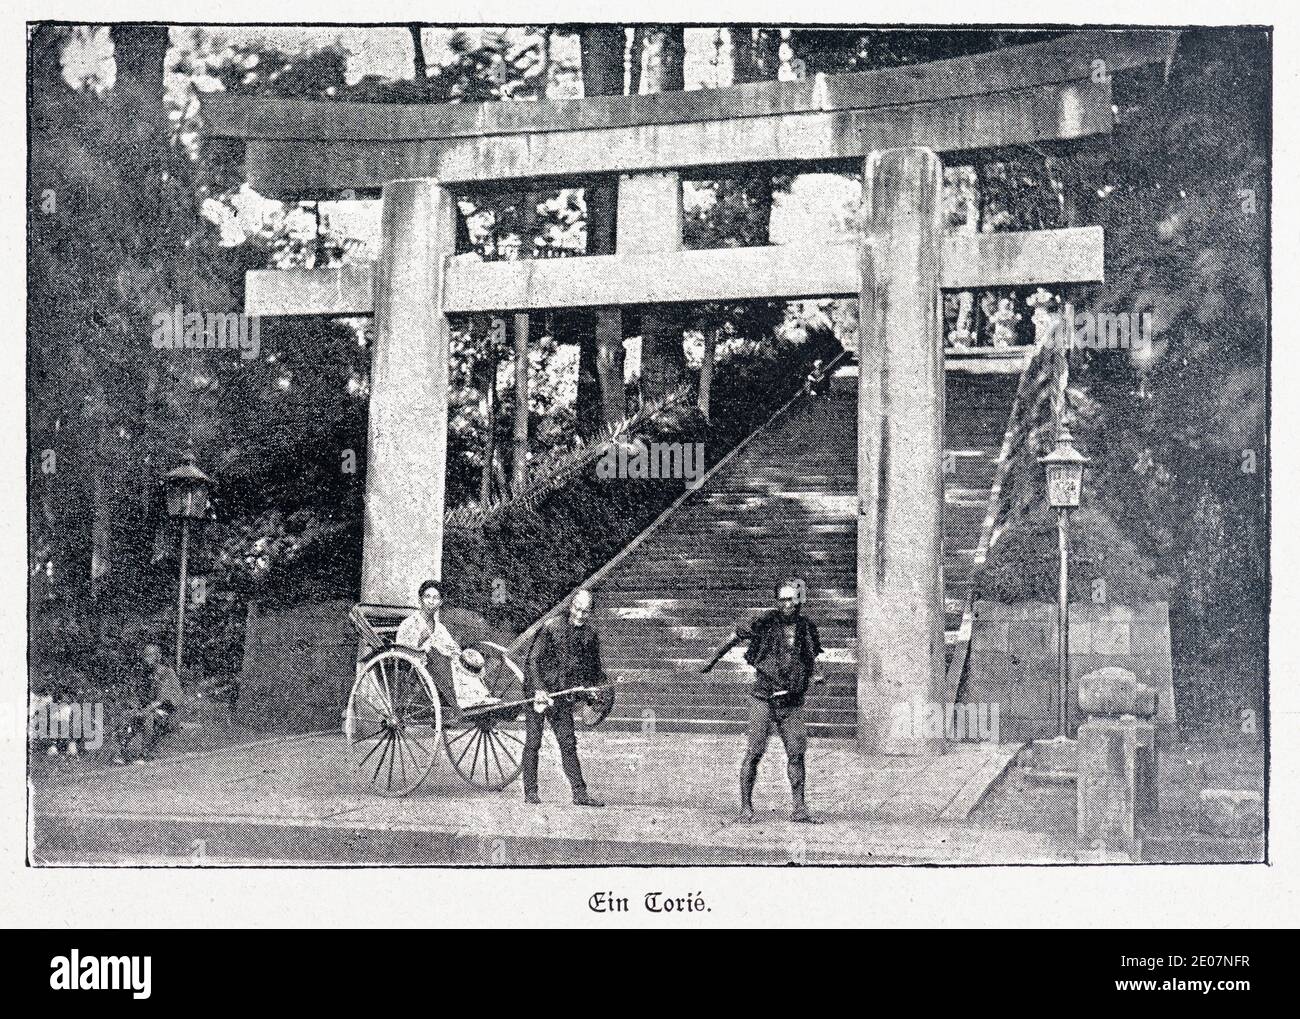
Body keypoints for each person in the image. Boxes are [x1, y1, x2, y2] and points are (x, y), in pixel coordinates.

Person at [731, 579, 825, 823]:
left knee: (796, 753)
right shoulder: (764, 623)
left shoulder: (806, 628)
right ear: (777, 601)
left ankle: (799, 808)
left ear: (799, 600)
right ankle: (745, 807)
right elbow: (735, 636)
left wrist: (814, 674)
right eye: (782, 599)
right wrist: (710, 663)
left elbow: (813, 656)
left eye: (792, 599)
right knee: (754, 752)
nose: (787, 604)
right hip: (763, 697)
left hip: (791, 701)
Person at [522, 589, 606, 807]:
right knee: (533, 741)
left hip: (562, 695)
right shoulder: (551, 627)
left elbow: (594, 670)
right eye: (577, 609)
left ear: (590, 612)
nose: (580, 615)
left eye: (585, 612)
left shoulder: (591, 635)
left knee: (568, 744)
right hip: (538, 690)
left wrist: (593, 690)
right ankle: (530, 791)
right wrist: (539, 689)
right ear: (571, 606)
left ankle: (580, 794)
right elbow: (532, 661)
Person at [396, 580, 500, 709]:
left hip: (444, 666)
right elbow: (402, 653)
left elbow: (452, 645)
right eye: (427, 597)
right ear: (420, 599)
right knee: (439, 657)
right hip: (421, 669)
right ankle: (461, 701)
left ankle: (477, 698)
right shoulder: (409, 624)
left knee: (463, 661)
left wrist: (454, 651)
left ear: (440, 602)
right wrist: (421, 641)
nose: (431, 601)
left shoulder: (439, 627)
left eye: (436, 598)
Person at [113, 643, 183, 764]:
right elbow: (138, 696)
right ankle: (122, 753)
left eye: (150, 655)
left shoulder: (166, 672)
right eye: (145, 655)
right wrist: (135, 708)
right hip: (153, 709)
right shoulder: (145, 674)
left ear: (158, 656)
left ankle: (144, 754)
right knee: (130, 716)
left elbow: (160, 700)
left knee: (147, 717)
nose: (147, 659)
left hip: (168, 711)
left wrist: (143, 711)